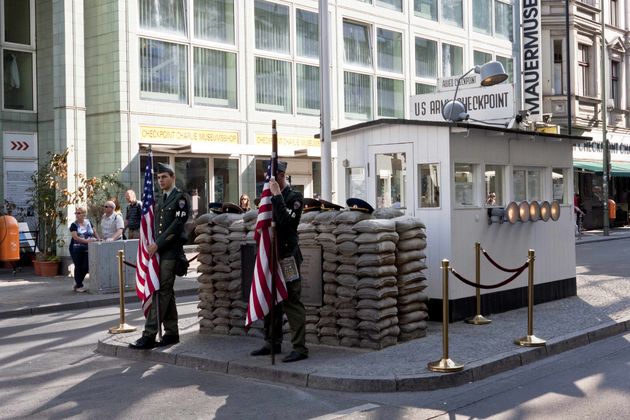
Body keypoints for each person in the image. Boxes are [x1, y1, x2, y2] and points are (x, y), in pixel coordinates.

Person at [250, 161, 308, 363]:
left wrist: (277, 196)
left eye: (272, 178)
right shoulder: (268, 199)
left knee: (291, 300)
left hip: (288, 257)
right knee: (271, 298)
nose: (268, 183)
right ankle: (271, 341)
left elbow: (287, 223)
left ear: (281, 176)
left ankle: (299, 347)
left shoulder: (295, 198)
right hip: (271, 257)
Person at [129, 162, 189, 350]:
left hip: (171, 252)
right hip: (159, 253)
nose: (161, 180)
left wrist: (158, 243)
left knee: (162, 292)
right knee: (167, 292)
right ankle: (171, 333)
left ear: (173, 177)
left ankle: (149, 335)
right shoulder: (160, 200)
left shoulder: (181, 198)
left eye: (164, 177)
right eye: (158, 177)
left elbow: (178, 225)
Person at [69, 206, 99, 292]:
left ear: (84, 214)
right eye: (76, 213)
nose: (77, 215)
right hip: (76, 248)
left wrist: (99, 239)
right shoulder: (74, 225)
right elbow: (75, 237)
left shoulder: (89, 222)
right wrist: (87, 241)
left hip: (88, 248)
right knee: (78, 266)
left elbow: (94, 232)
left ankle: (78, 282)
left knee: (86, 266)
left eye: (79, 213)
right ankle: (79, 285)